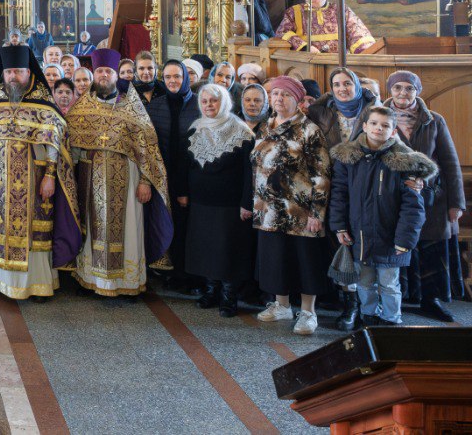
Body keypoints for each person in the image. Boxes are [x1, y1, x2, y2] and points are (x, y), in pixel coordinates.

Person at [0, 44, 81, 299]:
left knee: (36, 230)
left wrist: (50, 177)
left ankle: (36, 284)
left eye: (18, 72)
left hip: (35, 180)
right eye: (9, 72)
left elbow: (54, 145)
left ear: (29, 72)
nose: (13, 77)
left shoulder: (44, 103)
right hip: (0, 182)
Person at [68, 49, 171, 297]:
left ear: (117, 75)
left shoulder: (131, 108)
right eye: (100, 71)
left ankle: (128, 282)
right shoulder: (81, 110)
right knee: (92, 229)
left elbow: (148, 150)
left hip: (128, 181)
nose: (104, 75)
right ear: (94, 74)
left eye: (108, 71)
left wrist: (146, 181)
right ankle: (92, 279)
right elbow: (69, 148)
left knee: (129, 231)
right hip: (90, 182)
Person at [330, 106, 435, 327]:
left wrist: (405, 240)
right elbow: (339, 194)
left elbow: (413, 207)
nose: (379, 128)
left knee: (389, 284)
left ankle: (391, 320)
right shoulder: (349, 158)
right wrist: (339, 227)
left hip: (391, 237)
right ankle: (369, 316)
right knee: (364, 282)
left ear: (393, 131)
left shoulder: (404, 162)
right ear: (365, 126)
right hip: (360, 235)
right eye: (375, 123)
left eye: (385, 125)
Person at [248, 75, 331, 335]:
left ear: (297, 100)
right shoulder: (265, 125)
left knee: (305, 261)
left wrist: (318, 212)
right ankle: (282, 305)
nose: (279, 99)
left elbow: (322, 173)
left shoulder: (309, 129)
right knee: (275, 259)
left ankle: (308, 313)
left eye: (285, 95)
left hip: (301, 210)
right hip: (269, 209)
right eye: (275, 94)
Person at [384, 70, 465, 322]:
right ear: (390, 90)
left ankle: (431, 300)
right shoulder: (378, 116)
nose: (403, 93)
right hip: (394, 199)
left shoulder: (434, 120)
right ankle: (405, 298)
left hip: (432, 199)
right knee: (399, 248)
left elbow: (450, 162)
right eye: (398, 88)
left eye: (409, 88)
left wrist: (456, 203)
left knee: (432, 251)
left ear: (417, 91)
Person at [181, 84, 254, 318]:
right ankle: (210, 291)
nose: (209, 105)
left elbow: (248, 172)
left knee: (227, 250)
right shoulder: (195, 129)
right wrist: (183, 191)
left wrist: (246, 202)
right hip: (202, 202)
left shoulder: (241, 132)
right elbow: (185, 166)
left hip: (229, 204)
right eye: (204, 101)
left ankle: (228, 297)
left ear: (224, 102)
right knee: (206, 248)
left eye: (214, 101)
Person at [147, 60, 201, 291]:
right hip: (162, 178)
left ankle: (191, 275)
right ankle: (171, 272)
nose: (172, 81)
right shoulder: (155, 106)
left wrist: (184, 187)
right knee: (167, 224)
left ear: (186, 78)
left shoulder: (199, 105)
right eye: (167, 77)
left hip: (191, 178)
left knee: (189, 229)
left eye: (177, 76)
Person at [274, 0, 376, 54]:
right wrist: (305, 47)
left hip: (339, 62)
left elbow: (358, 32)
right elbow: (282, 32)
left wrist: (366, 51)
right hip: (307, 62)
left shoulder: (341, 9)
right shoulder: (294, 11)